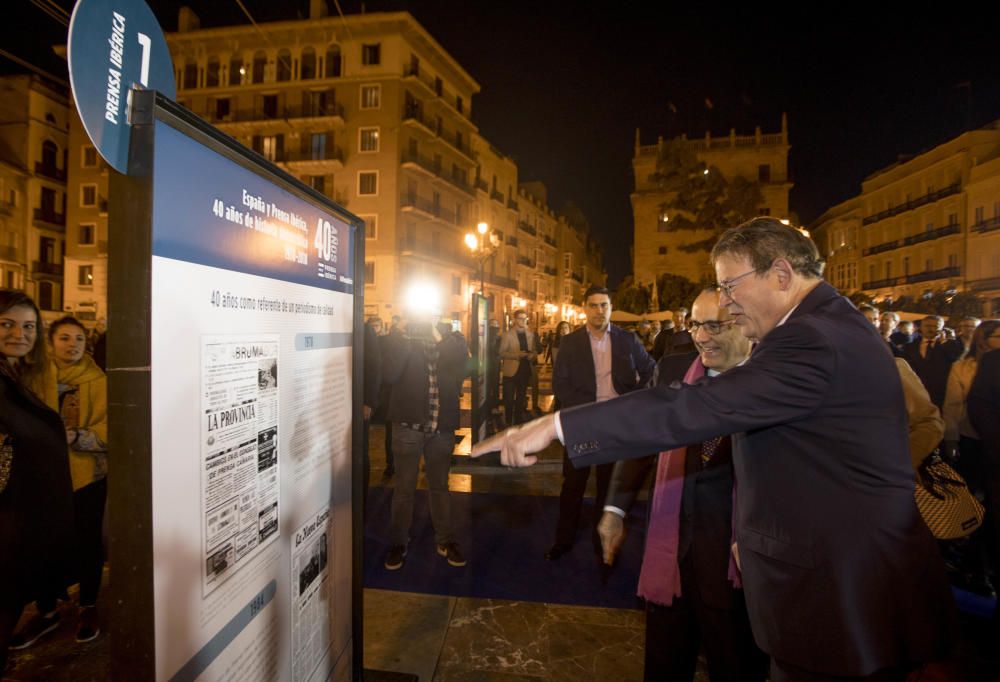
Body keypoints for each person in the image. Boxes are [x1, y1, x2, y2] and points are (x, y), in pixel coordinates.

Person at [473, 218, 955, 681]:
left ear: (781, 274)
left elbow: (690, 408)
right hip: (839, 586)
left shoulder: (811, 340)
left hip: (837, 601)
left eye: (730, 286)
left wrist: (554, 425)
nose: (726, 302)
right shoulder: (830, 326)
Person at [598, 287, 767, 682]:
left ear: (744, 324)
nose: (701, 336)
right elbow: (639, 440)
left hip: (735, 572)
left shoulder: (773, 383)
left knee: (736, 667)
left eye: (714, 325)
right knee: (663, 666)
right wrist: (615, 509)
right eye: (695, 324)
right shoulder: (673, 370)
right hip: (670, 557)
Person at [546, 286, 654, 561]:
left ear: (610, 307)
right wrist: (579, 411)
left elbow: (650, 368)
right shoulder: (570, 344)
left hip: (615, 424)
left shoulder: (627, 339)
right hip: (582, 423)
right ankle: (563, 540)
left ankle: (600, 540)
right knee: (573, 485)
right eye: (593, 305)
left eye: (604, 305)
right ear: (585, 309)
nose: (599, 310)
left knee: (609, 486)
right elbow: (560, 384)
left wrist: (633, 400)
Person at [18, 316, 109, 644]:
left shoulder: (97, 379)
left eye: (79, 340)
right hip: (42, 476)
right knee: (43, 544)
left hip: (87, 475)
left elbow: (110, 429)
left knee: (88, 542)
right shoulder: (33, 377)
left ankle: (88, 606)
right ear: (51, 342)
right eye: (64, 338)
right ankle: (46, 611)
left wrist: (77, 437)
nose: (72, 345)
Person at [0, 290, 74, 669]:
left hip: (20, 525)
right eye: (7, 324)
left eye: (28, 326)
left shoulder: (15, 375)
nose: (19, 334)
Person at [380, 307, 470, 571]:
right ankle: (398, 542)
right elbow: (390, 374)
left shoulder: (452, 338)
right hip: (408, 426)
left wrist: (434, 332)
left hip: (441, 427)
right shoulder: (399, 338)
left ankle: (446, 540)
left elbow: (463, 367)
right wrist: (406, 336)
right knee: (404, 488)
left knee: (440, 486)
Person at [900, 315, 963, 408]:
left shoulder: (951, 345)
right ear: (921, 327)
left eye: (935, 326)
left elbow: (955, 358)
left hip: (941, 391)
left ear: (942, 328)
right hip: (917, 390)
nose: (930, 329)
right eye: (927, 326)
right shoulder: (910, 347)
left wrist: (944, 342)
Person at [499, 310, 538, 425]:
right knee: (509, 399)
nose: (523, 320)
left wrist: (532, 355)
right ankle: (508, 420)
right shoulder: (508, 334)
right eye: (520, 318)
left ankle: (518, 421)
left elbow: (535, 350)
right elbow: (501, 353)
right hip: (510, 372)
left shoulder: (530, 334)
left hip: (525, 370)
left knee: (521, 399)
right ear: (515, 319)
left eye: (525, 318)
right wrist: (517, 355)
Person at [362, 316, 382, 503]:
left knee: (362, 449)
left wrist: (368, 401)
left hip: (361, 402)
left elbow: (374, 366)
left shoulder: (366, 331)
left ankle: (363, 492)